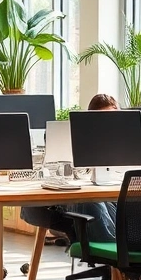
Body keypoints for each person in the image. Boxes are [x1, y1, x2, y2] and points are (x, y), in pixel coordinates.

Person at [20, 93, 119, 242]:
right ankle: (115, 253)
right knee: (94, 203)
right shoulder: (74, 137)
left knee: (119, 206)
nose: (106, 126)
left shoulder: (124, 145)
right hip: (72, 193)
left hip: (107, 194)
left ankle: (124, 251)